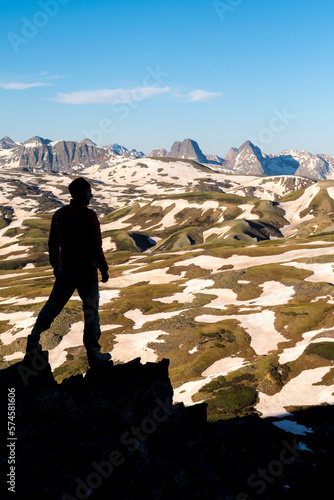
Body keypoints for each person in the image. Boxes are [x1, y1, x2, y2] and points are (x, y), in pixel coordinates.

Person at [25, 177, 112, 367]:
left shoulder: (59, 214)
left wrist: (56, 266)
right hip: (86, 271)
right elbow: (95, 246)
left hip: (66, 269)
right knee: (91, 312)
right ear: (81, 193)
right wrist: (104, 269)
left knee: (53, 305)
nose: (91, 195)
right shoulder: (89, 216)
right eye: (89, 191)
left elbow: (52, 244)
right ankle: (94, 354)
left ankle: (33, 338)